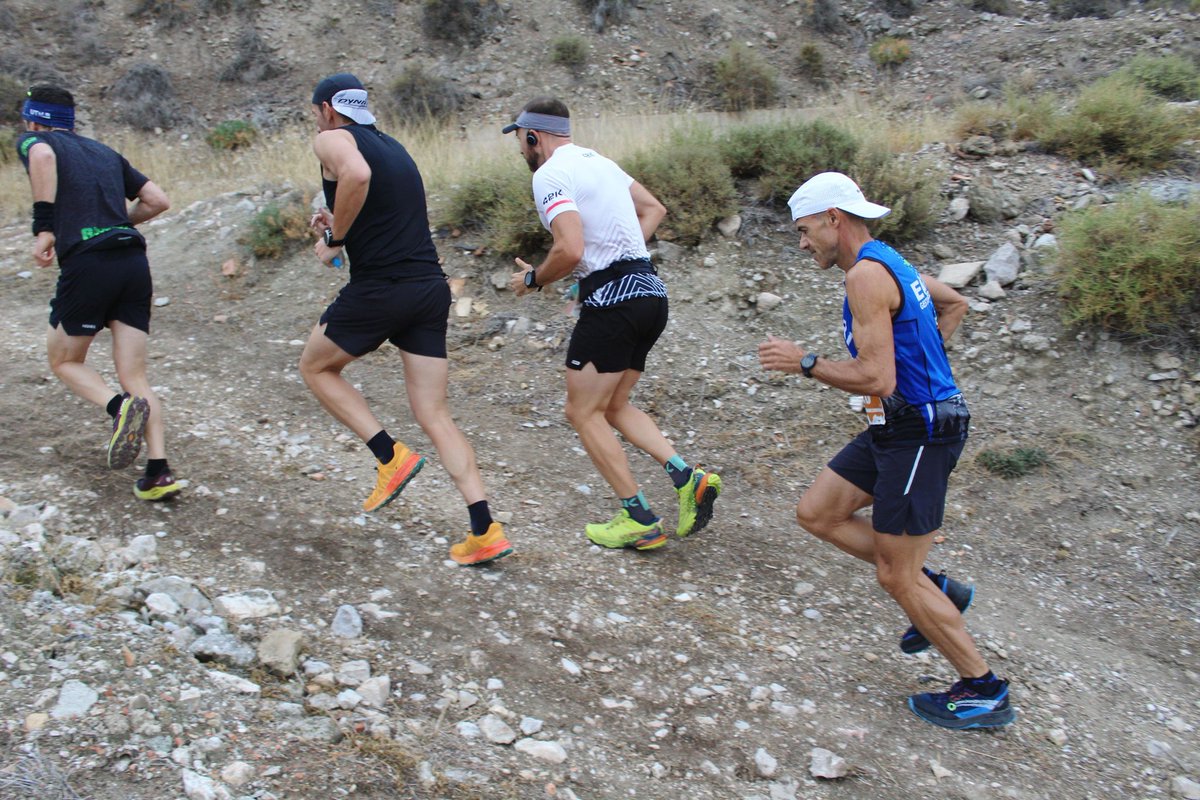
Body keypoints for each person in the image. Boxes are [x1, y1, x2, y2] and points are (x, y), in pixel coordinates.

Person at [757, 172, 1014, 730]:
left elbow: (875, 375)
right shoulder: (889, 263)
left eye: (804, 231)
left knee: (897, 578)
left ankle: (983, 689)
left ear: (834, 219)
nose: (802, 243)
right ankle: (938, 587)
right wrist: (924, 362)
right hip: (897, 426)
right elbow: (954, 304)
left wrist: (806, 363)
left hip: (919, 433)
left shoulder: (866, 278)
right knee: (818, 513)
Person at [300, 73, 511, 566]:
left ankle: (389, 456)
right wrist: (336, 225)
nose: (315, 122)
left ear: (329, 109)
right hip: (427, 289)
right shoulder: (394, 147)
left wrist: (334, 242)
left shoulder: (331, 138)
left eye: (315, 113)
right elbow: (378, 207)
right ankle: (485, 527)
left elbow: (356, 177)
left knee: (315, 367)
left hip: (383, 289)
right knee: (434, 414)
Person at [504, 97, 721, 551]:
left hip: (613, 305)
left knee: (581, 412)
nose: (522, 152)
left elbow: (570, 250)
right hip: (650, 295)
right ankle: (689, 479)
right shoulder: (602, 163)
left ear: (531, 136)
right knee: (614, 406)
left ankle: (637, 517)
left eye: (521, 142)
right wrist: (615, 260)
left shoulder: (549, 175)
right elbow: (654, 209)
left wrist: (533, 279)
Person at [17, 84, 181, 501]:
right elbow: (157, 200)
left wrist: (45, 227)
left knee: (64, 359)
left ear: (34, 118)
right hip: (132, 262)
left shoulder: (37, 140)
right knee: (136, 374)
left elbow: (42, 155)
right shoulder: (104, 152)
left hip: (89, 264)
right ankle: (158, 472)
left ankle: (117, 408)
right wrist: (113, 221)